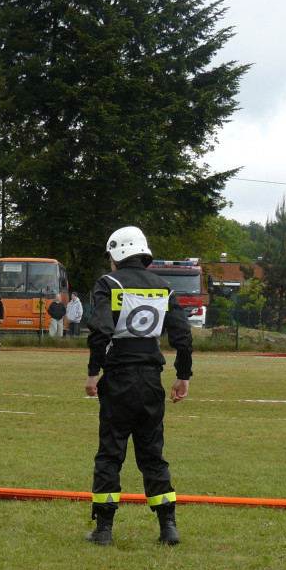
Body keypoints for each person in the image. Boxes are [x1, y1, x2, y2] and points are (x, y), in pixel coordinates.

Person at [84, 226, 193, 546]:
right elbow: (183, 336)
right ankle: (168, 527)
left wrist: (93, 372)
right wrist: (183, 375)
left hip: (118, 379)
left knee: (110, 453)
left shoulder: (108, 283)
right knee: (152, 454)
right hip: (151, 380)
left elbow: (100, 331)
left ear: (116, 254)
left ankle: (104, 530)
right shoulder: (164, 287)